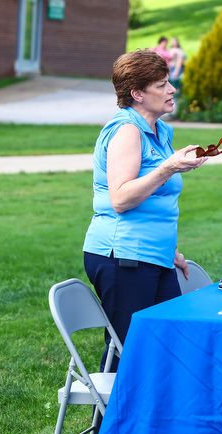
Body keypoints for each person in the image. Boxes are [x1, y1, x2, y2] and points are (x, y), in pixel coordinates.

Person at [82, 48, 208, 372]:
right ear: (137, 93)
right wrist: (168, 167)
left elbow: (156, 201)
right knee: (131, 352)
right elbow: (121, 199)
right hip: (122, 256)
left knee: (163, 347)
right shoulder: (127, 130)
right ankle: (108, 424)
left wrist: (170, 249)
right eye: (162, 85)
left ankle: (145, 423)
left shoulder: (160, 131)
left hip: (153, 255)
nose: (172, 89)